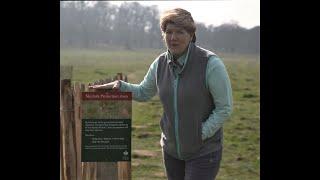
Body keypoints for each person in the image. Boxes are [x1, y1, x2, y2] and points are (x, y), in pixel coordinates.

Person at [89, 8, 233, 180]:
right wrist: (120, 86)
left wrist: (199, 133)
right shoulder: (160, 63)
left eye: (180, 32)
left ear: (191, 34)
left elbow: (224, 107)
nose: (173, 37)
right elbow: (143, 92)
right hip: (171, 151)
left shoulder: (210, 64)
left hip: (203, 151)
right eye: (168, 32)